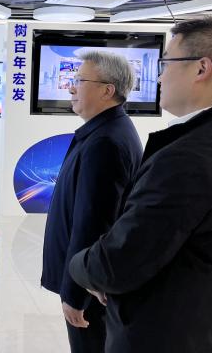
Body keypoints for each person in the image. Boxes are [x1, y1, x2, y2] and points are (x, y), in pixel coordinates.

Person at [69, 17, 212, 353]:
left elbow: (119, 262)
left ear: (201, 68)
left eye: (166, 63)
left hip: (162, 336)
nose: (159, 77)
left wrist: (78, 266)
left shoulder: (190, 158)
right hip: (211, 331)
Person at [41, 51, 143, 353]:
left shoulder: (106, 142)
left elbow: (93, 224)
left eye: (79, 80)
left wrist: (76, 293)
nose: (71, 87)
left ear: (107, 90)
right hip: (89, 277)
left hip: (90, 285)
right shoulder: (103, 132)